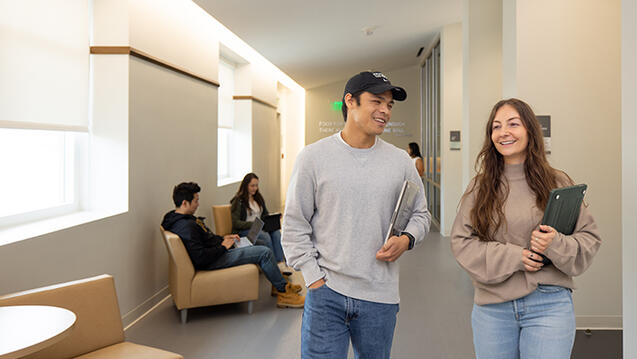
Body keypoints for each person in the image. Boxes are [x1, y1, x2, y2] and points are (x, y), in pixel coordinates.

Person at [282, 71, 431, 359]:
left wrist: (408, 239)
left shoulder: (400, 161)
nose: (385, 111)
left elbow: (420, 214)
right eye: (377, 101)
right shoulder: (313, 157)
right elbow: (294, 224)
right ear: (350, 101)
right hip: (327, 293)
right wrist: (313, 279)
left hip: (380, 296)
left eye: (389, 105)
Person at [450, 98, 601, 359]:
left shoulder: (558, 182)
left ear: (530, 130)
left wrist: (554, 244)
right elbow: (462, 243)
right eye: (496, 127)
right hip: (492, 307)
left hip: (549, 303)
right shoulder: (480, 187)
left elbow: (589, 238)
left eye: (513, 124)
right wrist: (515, 257)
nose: (503, 132)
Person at [161, 182, 304, 308]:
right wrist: (223, 246)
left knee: (257, 243)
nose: (198, 204)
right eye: (196, 201)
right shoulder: (186, 227)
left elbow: (206, 239)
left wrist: (224, 238)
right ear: (185, 203)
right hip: (215, 259)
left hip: (217, 250)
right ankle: (284, 293)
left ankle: (278, 283)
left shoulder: (178, 218)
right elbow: (201, 257)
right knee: (264, 252)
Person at [231, 173, 284, 264]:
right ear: (245, 185)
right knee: (265, 236)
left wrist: (273, 217)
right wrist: (254, 224)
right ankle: (273, 264)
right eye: (252, 186)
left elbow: (264, 215)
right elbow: (236, 223)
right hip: (245, 230)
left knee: (276, 233)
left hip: (260, 227)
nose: (255, 188)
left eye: (256, 185)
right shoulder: (238, 201)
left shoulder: (258, 198)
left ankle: (280, 262)